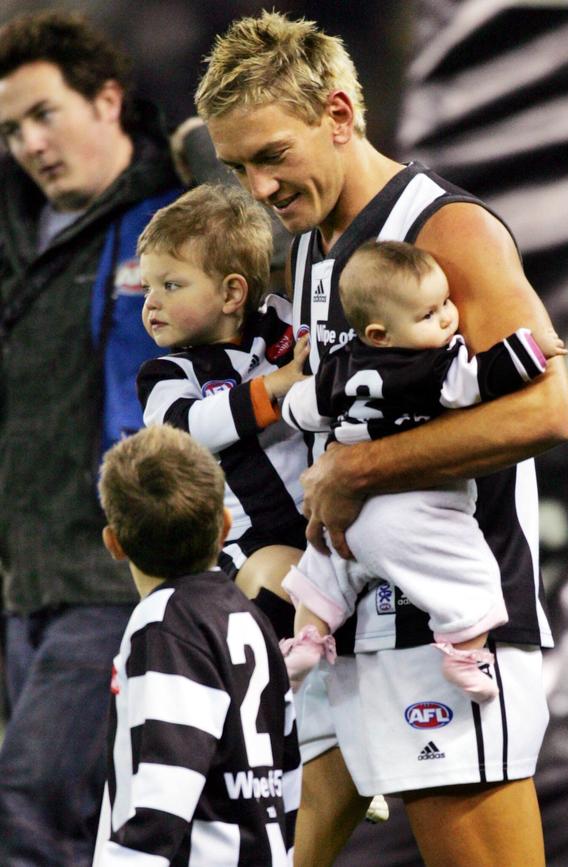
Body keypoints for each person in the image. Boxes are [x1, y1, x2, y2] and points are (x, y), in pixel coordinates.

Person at [194, 10, 568, 867]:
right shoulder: (312, 250)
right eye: (237, 167)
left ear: (339, 113)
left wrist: (360, 467)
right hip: (355, 623)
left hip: (453, 631)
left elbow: (547, 410)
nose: (257, 187)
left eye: (271, 155)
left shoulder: (445, 227)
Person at [0, 11, 182, 865]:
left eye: (44, 114)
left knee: (30, 815)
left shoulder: (179, 218)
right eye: (10, 130)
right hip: (25, 584)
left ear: (108, 99)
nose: (30, 143)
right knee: (78, 829)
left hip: (118, 576)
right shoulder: (17, 236)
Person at [279, 239, 567, 703]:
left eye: (445, 303)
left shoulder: (339, 367)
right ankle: (465, 655)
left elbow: (301, 408)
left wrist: (283, 400)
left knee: (318, 583)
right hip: (411, 507)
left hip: (344, 522)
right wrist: (532, 350)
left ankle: (306, 643)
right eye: (428, 315)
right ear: (379, 334)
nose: (448, 318)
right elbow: (481, 378)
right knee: (472, 580)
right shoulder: (432, 366)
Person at [92, 423, 301, 866]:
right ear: (225, 525)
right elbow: (290, 770)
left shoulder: (164, 624)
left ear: (113, 543)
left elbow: (164, 789)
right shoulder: (250, 616)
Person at [135, 182, 310, 641]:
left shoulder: (284, 325)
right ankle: (269, 685)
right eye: (147, 286)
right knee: (289, 582)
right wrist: (272, 387)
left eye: (171, 285)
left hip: (324, 521)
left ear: (233, 294)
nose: (151, 303)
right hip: (244, 542)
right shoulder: (165, 374)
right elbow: (184, 430)